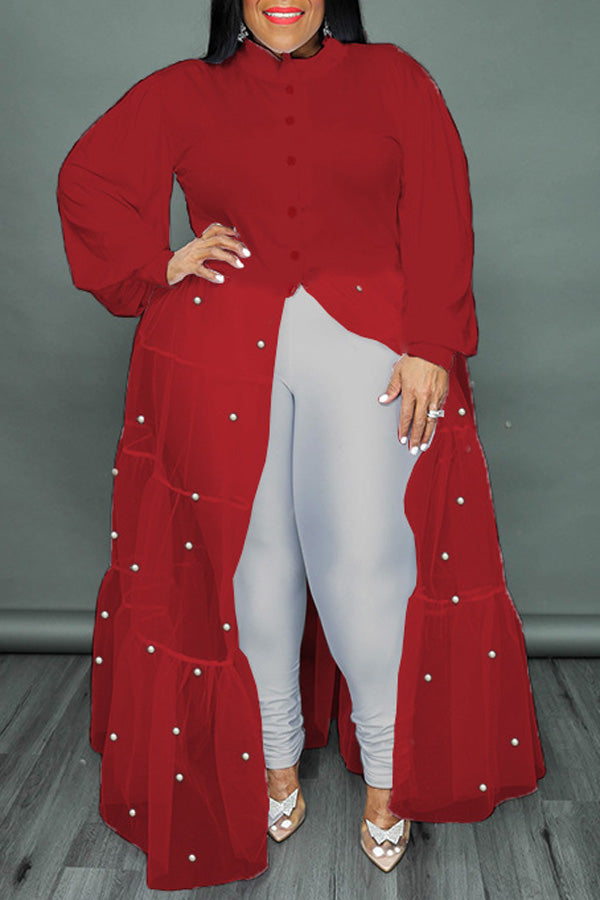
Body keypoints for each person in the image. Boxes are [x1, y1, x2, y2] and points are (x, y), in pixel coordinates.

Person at [56, 0, 546, 889]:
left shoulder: (395, 78)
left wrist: (433, 343)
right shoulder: (184, 91)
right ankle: (275, 759)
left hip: (369, 343)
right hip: (214, 347)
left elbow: (442, 206)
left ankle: (390, 774)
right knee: (255, 562)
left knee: (366, 560)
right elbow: (86, 177)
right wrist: (159, 261)